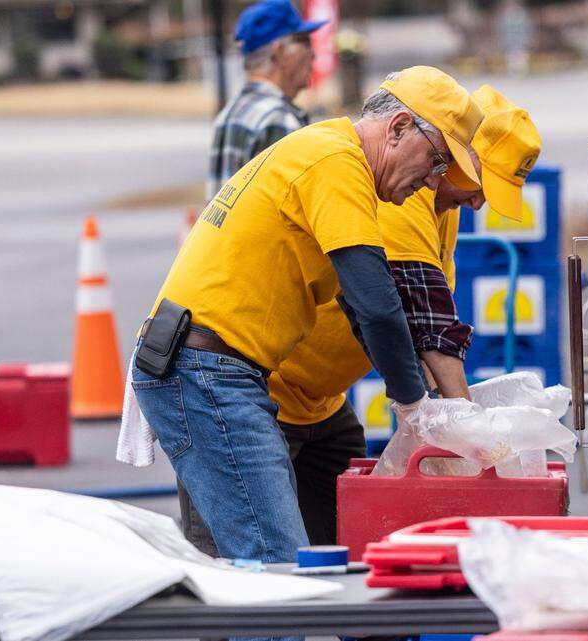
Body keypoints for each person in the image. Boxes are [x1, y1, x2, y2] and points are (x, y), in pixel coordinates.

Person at [127, 66, 483, 566]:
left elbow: (359, 308)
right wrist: (414, 407)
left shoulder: (335, 159)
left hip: (213, 366)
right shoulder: (337, 164)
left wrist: (423, 402)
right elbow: (378, 307)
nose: (434, 180)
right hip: (205, 369)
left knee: (284, 558)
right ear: (399, 127)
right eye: (437, 160)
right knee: (270, 560)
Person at [187, 85, 540, 547]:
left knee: (353, 549)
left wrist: (438, 412)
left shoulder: (434, 198)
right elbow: (415, 319)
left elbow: (399, 321)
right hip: (253, 388)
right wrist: (463, 431)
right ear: (455, 155)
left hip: (320, 400)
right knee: (256, 558)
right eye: (480, 186)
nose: (479, 203)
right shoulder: (392, 186)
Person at [208, 0, 325, 197]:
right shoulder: (278, 119)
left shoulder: (230, 114)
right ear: (279, 51)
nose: (313, 54)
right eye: (304, 41)